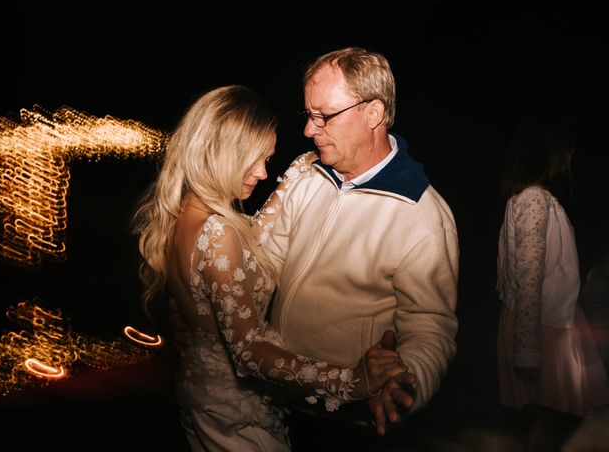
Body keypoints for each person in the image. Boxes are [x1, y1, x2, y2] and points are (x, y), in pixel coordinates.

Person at [132, 85, 409, 451]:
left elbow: (247, 247)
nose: (263, 173)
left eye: (269, 159)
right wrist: (352, 381)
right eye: (255, 159)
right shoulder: (219, 232)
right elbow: (250, 353)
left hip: (204, 400)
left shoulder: (183, 216)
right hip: (236, 421)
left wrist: (294, 172)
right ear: (222, 153)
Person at [258, 46, 459, 440]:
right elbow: (264, 263)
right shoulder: (307, 176)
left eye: (324, 117)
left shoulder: (421, 214)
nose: (309, 130)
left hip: (346, 423)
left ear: (374, 113)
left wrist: (404, 381)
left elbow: (430, 327)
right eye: (309, 115)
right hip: (274, 399)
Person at [496, 112, 609, 451]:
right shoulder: (533, 201)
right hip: (543, 328)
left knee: (559, 416)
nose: (570, 157)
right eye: (566, 150)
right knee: (556, 417)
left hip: (553, 324)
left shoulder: (539, 200)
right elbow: (528, 276)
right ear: (548, 151)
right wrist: (528, 351)